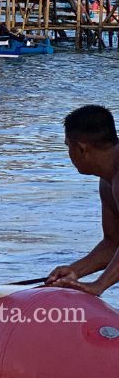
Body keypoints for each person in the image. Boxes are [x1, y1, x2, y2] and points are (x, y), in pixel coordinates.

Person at [46, 105, 119, 296]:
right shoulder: (107, 181)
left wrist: (99, 285)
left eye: (67, 146)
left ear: (81, 148)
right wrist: (74, 271)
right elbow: (113, 242)